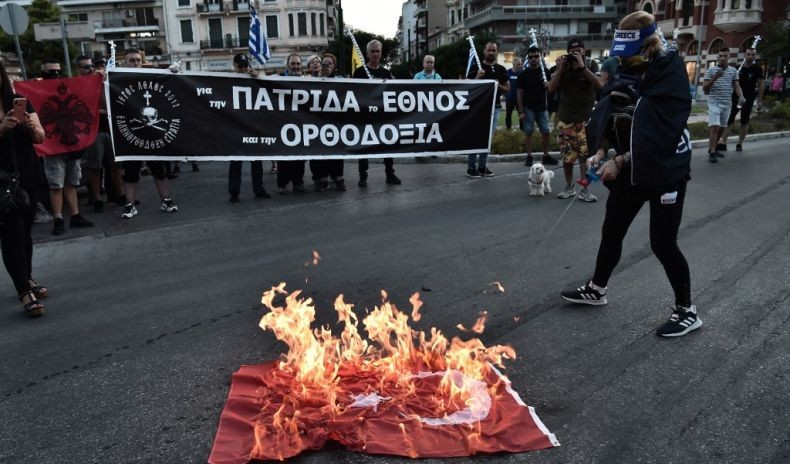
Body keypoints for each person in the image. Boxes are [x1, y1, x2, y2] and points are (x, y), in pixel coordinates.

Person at [561, 11, 700, 338]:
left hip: (665, 169)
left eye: (631, 55)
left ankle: (687, 311)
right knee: (612, 229)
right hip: (630, 168)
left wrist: (619, 162)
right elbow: (613, 113)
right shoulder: (626, 67)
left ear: (649, 46)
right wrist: (600, 150)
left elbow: (659, 136)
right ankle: (597, 288)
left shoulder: (671, 74)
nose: (624, 63)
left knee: (662, 243)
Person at [0, 59, 48, 316]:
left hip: (27, 175)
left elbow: (41, 137)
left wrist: (32, 127)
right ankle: (23, 292)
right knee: (11, 237)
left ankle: (27, 277)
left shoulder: (21, 101)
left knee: (26, 234)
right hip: (1, 182)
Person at [119, 49, 179, 218]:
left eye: (138, 60)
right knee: (130, 173)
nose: (135, 63)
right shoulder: (118, 80)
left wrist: (173, 73)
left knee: (158, 169)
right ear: (125, 62)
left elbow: (171, 86)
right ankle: (129, 205)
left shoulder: (151, 76)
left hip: (153, 135)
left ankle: (166, 200)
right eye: (131, 60)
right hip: (130, 134)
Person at [39, 60, 95, 235]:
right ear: (43, 72)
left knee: (71, 182)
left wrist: (96, 79)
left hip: (71, 145)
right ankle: (58, 218)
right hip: (53, 147)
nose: (54, 74)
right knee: (56, 184)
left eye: (57, 71)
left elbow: (86, 94)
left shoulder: (69, 88)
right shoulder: (38, 91)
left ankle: (75, 216)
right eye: (50, 71)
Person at [548, 38, 601, 202]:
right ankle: (569, 186)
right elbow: (551, 89)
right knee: (568, 157)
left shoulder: (591, 64)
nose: (576, 53)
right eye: (573, 51)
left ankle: (585, 189)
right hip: (566, 118)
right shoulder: (563, 67)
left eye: (579, 50)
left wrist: (582, 66)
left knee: (586, 157)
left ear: (584, 51)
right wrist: (560, 69)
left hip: (586, 118)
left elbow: (600, 85)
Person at [353, 40, 401, 187]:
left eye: (377, 51)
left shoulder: (386, 73)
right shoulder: (360, 72)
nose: (375, 54)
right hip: (365, 116)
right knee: (364, 147)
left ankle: (390, 173)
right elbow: (354, 93)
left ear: (380, 53)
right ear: (367, 54)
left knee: (387, 145)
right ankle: (363, 175)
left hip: (382, 117)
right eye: (372, 51)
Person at [77, 55, 122, 213]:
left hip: (108, 129)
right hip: (92, 132)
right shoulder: (79, 86)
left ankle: (120, 194)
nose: (90, 70)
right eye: (86, 67)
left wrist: (103, 84)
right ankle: (97, 198)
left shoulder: (101, 82)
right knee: (94, 168)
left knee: (115, 165)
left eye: (91, 66)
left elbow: (108, 105)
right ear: (79, 70)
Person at [227, 53, 270, 202]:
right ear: (234, 66)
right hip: (236, 127)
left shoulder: (254, 78)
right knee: (236, 162)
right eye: (240, 66)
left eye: (246, 66)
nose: (244, 69)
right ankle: (234, 192)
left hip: (252, 126)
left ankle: (258, 189)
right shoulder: (228, 81)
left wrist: (257, 76)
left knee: (256, 160)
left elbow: (268, 87)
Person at [466, 41, 509, 178]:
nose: (491, 53)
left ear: (496, 52)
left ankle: (482, 166)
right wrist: (478, 77)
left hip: (494, 108)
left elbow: (508, 89)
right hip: (478, 108)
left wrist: (498, 86)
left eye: (493, 50)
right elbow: (466, 86)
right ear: (484, 51)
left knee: (487, 139)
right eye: (489, 50)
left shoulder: (501, 69)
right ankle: (471, 167)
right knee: (474, 137)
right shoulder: (475, 66)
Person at [308, 53, 345, 191]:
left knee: (336, 150)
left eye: (329, 63)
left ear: (334, 66)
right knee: (319, 150)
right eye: (324, 63)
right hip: (317, 122)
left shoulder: (340, 80)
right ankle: (321, 177)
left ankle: (338, 177)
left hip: (334, 122)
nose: (326, 66)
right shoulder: (311, 80)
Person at [517, 46, 558, 167]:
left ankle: (545, 156)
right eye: (531, 57)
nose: (534, 59)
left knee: (546, 132)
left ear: (539, 57)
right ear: (528, 58)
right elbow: (519, 93)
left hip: (542, 108)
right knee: (528, 132)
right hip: (528, 107)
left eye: (536, 56)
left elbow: (551, 90)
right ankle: (529, 156)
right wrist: (521, 111)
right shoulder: (523, 74)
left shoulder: (545, 71)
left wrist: (548, 84)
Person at [717, 48, 764, 152]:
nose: (750, 56)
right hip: (735, 97)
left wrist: (759, 100)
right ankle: (723, 142)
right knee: (729, 119)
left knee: (744, 120)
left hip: (749, 97)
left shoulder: (758, 69)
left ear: (755, 56)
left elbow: (761, 85)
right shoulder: (738, 68)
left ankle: (739, 144)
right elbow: (732, 83)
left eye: (753, 55)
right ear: (744, 55)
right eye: (748, 54)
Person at [702, 47, 744, 163]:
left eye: (725, 56)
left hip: (727, 104)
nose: (723, 58)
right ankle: (712, 152)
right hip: (714, 103)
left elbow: (736, 86)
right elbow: (705, 89)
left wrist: (741, 97)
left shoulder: (733, 71)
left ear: (728, 57)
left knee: (721, 128)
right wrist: (715, 77)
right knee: (714, 127)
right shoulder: (710, 71)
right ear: (717, 57)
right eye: (720, 56)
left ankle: (713, 147)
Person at [277, 53, 307, 194]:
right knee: (284, 157)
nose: (295, 66)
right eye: (293, 64)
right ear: (288, 65)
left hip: (301, 125)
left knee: (299, 157)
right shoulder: (279, 79)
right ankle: (282, 184)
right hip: (284, 123)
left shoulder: (307, 81)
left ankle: (298, 183)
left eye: (298, 64)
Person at [504, 56, 522, 130]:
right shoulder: (508, 73)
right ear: (513, 63)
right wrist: (506, 94)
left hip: (519, 98)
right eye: (518, 64)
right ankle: (508, 129)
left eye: (520, 64)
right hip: (510, 98)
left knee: (521, 114)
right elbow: (504, 84)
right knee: (508, 114)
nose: (519, 66)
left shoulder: (522, 73)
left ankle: (522, 129)